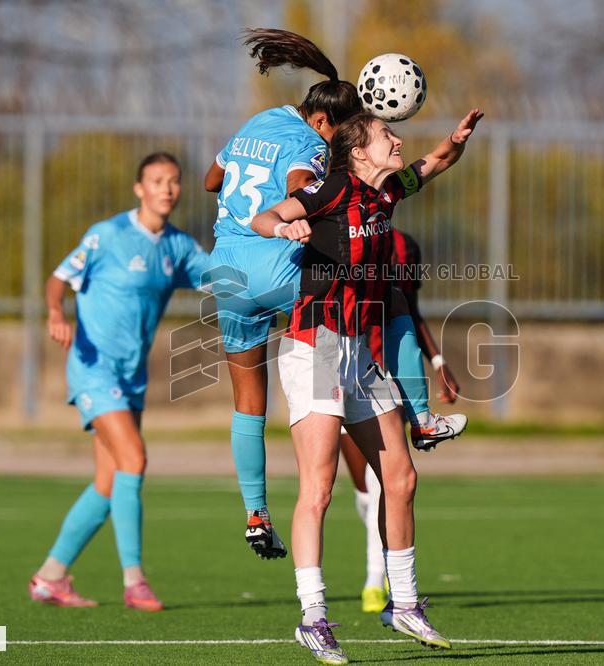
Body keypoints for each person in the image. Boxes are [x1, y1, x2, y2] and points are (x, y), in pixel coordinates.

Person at [204, 28, 467, 562]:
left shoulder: (259, 121)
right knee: (380, 300)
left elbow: (212, 180)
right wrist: (297, 212)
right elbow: (303, 187)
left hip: (226, 272)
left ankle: (256, 513)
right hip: (277, 265)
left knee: (248, 405)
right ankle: (419, 417)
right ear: (324, 122)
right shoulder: (312, 145)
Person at [252, 108, 484, 663]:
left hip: (358, 351)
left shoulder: (388, 193)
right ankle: (313, 617)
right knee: (319, 488)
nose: (397, 139)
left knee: (400, 478)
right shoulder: (334, 188)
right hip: (315, 345)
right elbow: (266, 216)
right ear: (358, 151)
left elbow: (436, 162)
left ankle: (403, 603)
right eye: (386, 134)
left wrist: (456, 140)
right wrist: (285, 226)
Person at [29, 152, 210, 611]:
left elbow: (224, 282)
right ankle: (135, 581)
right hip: (94, 368)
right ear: (139, 188)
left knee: (109, 483)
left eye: (174, 180)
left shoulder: (178, 247)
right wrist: (55, 312)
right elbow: (58, 279)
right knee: (134, 458)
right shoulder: (107, 235)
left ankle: (50, 577)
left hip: (132, 376)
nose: (167, 188)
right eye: (157, 180)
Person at [340, 228, 462, 613]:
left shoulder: (405, 246)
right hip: (338, 368)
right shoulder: (335, 231)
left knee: (384, 482)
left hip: (385, 375)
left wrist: (437, 361)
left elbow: (409, 309)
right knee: (364, 491)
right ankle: (381, 564)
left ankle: (376, 581)